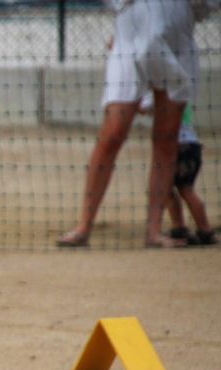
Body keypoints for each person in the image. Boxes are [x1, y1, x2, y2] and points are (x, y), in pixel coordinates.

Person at [56, 0, 199, 248]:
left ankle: (153, 231)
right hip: (130, 37)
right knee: (111, 135)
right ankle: (84, 226)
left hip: (175, 36)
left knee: (166, 140)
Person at [165, 105, 216, 245]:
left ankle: (204, 230)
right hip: (189, 146)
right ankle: (180, 228)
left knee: (184, 189)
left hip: (180, 146)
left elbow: (145, 106)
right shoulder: (181, 94)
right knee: (168, 189)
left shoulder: (168, 94)